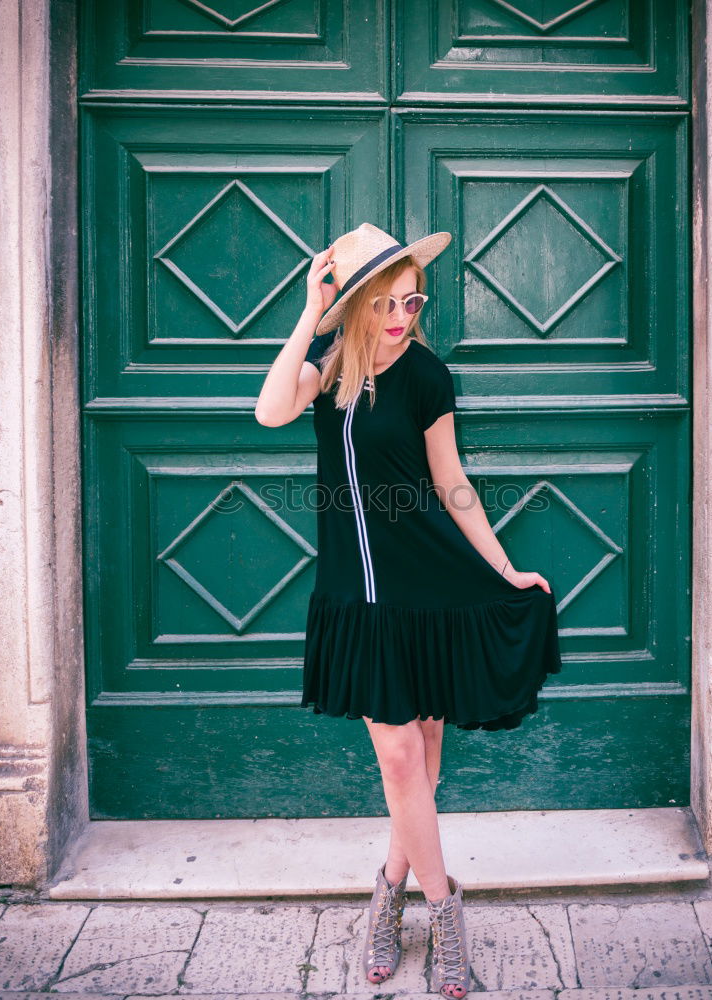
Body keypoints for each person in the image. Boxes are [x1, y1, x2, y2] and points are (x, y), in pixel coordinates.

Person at [255, 222, 563, 999]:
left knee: (419, 764)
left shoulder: (426, 373)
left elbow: (450, 481)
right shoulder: (328, 373)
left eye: (411, 299)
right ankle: (443, 911)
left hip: (430, 587)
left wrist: (501, 567)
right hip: (358, 599)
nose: (401, 315)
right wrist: (307, 313)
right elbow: (267, 412)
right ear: (357, 302)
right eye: (387, 302)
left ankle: (386, 898)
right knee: (400, 761)